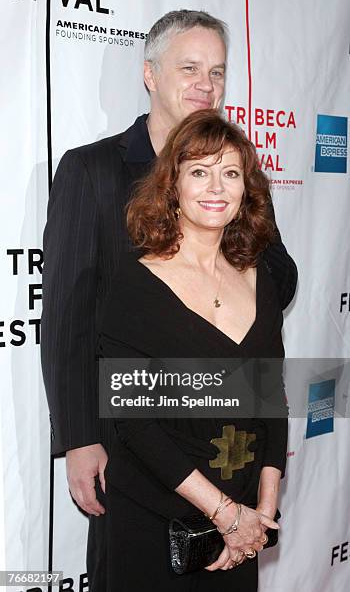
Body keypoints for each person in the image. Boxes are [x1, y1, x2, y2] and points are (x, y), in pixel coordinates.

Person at [41, 10, 297, 590]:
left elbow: (276, 281)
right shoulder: (93, 170)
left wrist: (219, 264)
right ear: (151, 74)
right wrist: (80, 438)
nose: (205, 85)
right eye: (189, 68)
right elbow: (66, 319)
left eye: (218, 72)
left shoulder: (233, 178)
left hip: (226, 431)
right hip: (129, 433)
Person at [97, 109, 292, 590]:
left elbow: (270, 396)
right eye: (199, 172)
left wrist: (262, 511)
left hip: (244, 524)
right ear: (172, 185)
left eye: (230, 173)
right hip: (158, 523)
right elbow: (134, 424)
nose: (216, 188)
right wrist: (223, 513)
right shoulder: (134, 283)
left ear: (246, 190)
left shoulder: (260, 278)